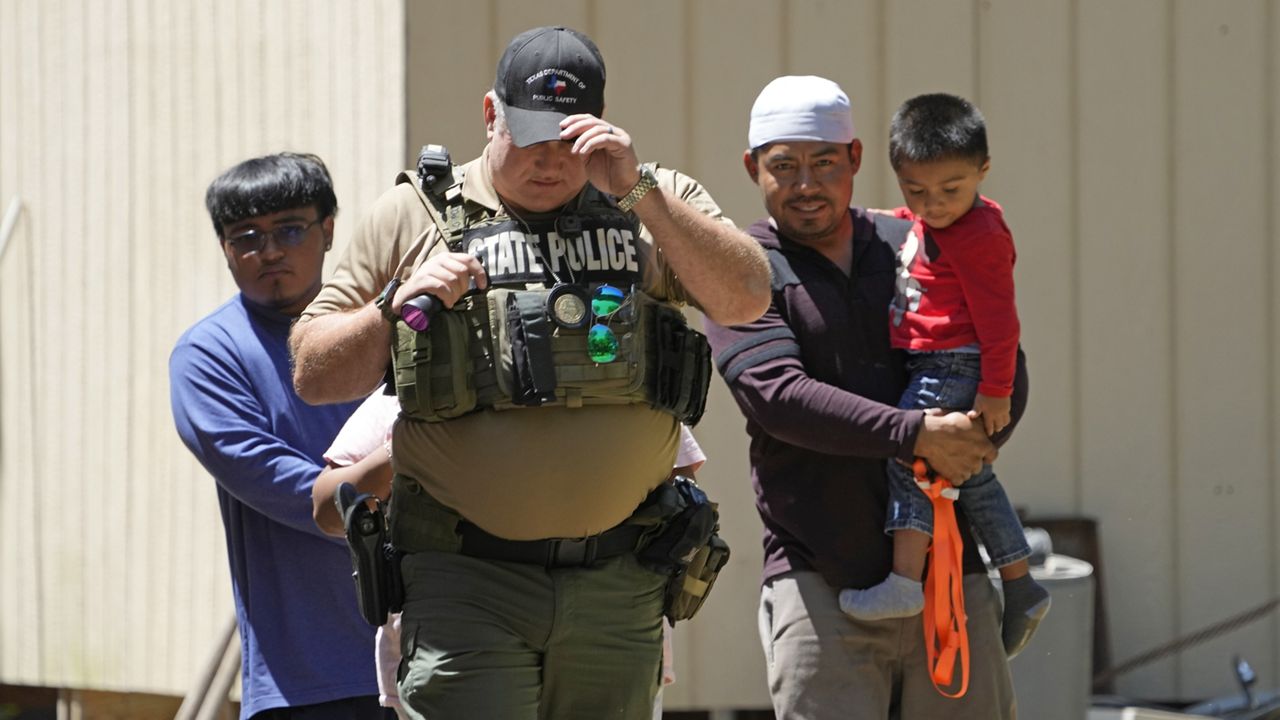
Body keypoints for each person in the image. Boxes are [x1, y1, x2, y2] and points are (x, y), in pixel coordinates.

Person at [288, 25, 771, 720]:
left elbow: (747, 298)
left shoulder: (651, 201)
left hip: (620, 577)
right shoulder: (416, 213)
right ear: (491, 115)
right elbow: (313, 370)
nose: (550, 160)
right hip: (467, 581)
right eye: (529, 135)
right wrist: (396, 304)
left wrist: (639, 194)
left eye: (568, 140)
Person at [703, 75, 1030, 718]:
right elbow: (779, 397)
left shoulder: (913, 238)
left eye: (825, 162)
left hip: (948, 577)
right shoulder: (744, 265)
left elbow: (1001, 357)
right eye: (784, 166)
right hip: (822, 581)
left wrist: (975, 437)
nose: (806, 183)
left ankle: (1017, 579)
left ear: (855, 159)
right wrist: (920, 436)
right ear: (752, 168)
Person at [310, 390, 708, 720]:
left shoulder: (604, 369)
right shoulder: (422, 384)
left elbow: (680, 466)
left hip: (610, 615)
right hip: (462, 616)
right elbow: (327, 504)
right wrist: (409, 448)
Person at [169, 153, 390, 719]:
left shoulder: (385, 332)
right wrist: (413, 454)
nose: (268, 251)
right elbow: (311, 500)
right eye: (246, 236)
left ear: (329, 230)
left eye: (290, 229)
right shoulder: (210, 357)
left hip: (431, 660)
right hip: (309, 682)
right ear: (224, 249)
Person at [837, 93, 1050, 657]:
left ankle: (905, 583)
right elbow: (914, 222)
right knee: (968, 475)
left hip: (956, 362)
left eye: (950, 190)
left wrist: (996, 390)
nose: (932, 205)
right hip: (937, 361)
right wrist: (878, 216)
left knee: (909, 447)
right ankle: (1021, 583)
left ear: (983, 170)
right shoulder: (939, 221)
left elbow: (1001, 322)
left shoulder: (978, 234)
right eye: (915, 190)